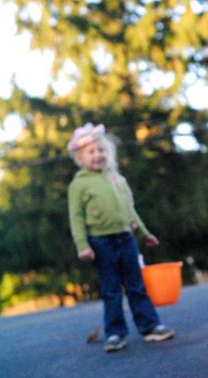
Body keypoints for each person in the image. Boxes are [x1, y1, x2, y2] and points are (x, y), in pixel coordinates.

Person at [67, 123, 175, 352]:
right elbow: (76, 217)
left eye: (101, 150)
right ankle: (115, 333)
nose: (98, 155)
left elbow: (130, 209)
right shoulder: (79, 184)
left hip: (126, 238)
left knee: (136, 285)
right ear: (80, 158)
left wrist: (144, 233)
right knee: (111, 290)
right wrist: (82, 245)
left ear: (109, 153)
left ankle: (150, 326)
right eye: (91, 152)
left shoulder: (116, 178)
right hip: (100, 242)